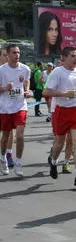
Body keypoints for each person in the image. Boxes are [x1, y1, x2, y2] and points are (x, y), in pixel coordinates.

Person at [43, 46, 76, 187]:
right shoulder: (58, 72)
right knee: (59, 143)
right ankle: (54, 161)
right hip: (62, 111)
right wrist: (63, 94)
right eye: (73, 56)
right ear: (64, 58)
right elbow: (46, 91)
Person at [0, 45, 32, 177]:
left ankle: (18, 163)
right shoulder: (1, 70)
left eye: (18, 52)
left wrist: (27, 90)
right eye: (14, 52)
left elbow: (27, 81)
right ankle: (3, 159)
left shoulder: (25, 68)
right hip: (6, 107)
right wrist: (4, 88)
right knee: (5, 136)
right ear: (7, 54)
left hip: (20, 106)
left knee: (19, 135)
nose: (17, 54)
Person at [0, 46, 15, 168]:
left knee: (9, 131)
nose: (7, 57)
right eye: (4, 55)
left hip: (8, 106)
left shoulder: (15, 69)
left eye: (7, 55)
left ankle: (8, 154)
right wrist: (5, 88)